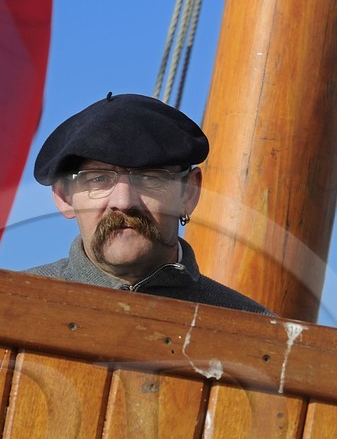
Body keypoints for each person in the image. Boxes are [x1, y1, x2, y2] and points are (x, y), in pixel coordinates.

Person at [26, 93, 270, 315]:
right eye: (99, 179)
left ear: (189, 193)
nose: (124, 202)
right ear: (64, 198)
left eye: (149, 178)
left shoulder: (260, 334)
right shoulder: (7, 306)